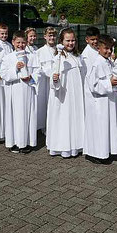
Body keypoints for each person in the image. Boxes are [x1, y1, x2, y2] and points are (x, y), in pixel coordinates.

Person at [46, 28, 86, 159]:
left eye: (73, 40)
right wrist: (55, 79)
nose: (71, 43)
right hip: (63, 95)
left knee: (75, 117)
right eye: (67, 40)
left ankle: (76, 145)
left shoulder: (78, 56)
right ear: (61, 41)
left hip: (76, 94)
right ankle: (62, 146)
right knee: (64, 118)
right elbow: (53, 75)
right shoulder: (57, 58)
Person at [0, 31, 39, 153]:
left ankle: (27, 142)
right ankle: (14, 142)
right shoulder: (8, 57)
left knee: (27, 115)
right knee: (14, 117)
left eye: (23, 42)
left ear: (26, 43)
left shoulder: (32, 56)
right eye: (18, 42)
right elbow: (4, 74)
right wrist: (15, 69)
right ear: (13, 42)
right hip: (14, 90)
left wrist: (31, 77)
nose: (21, 45)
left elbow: (39, 71)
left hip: (28, 89)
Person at [84, 35, 117, 164]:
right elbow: (93, 85)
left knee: (107, 127)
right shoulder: (96, 63)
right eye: (106, 48)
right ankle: (95, 153)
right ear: (98, 48)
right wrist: (108, 82)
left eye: (110, 48)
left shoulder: (108, 61)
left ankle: (106, 150)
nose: (109, 51)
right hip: (98, 102)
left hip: (108, 100)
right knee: (98, 128)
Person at [36, 27, 58, 133]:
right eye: (50, 35)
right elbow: (39, 68)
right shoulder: (40, 52)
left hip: (57, 81)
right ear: (45, 37)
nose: (52, 38)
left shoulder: (59, 50)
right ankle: (44, 126)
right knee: (45, 103)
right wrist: (49, 73)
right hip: (45, 82)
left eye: (53, 35)